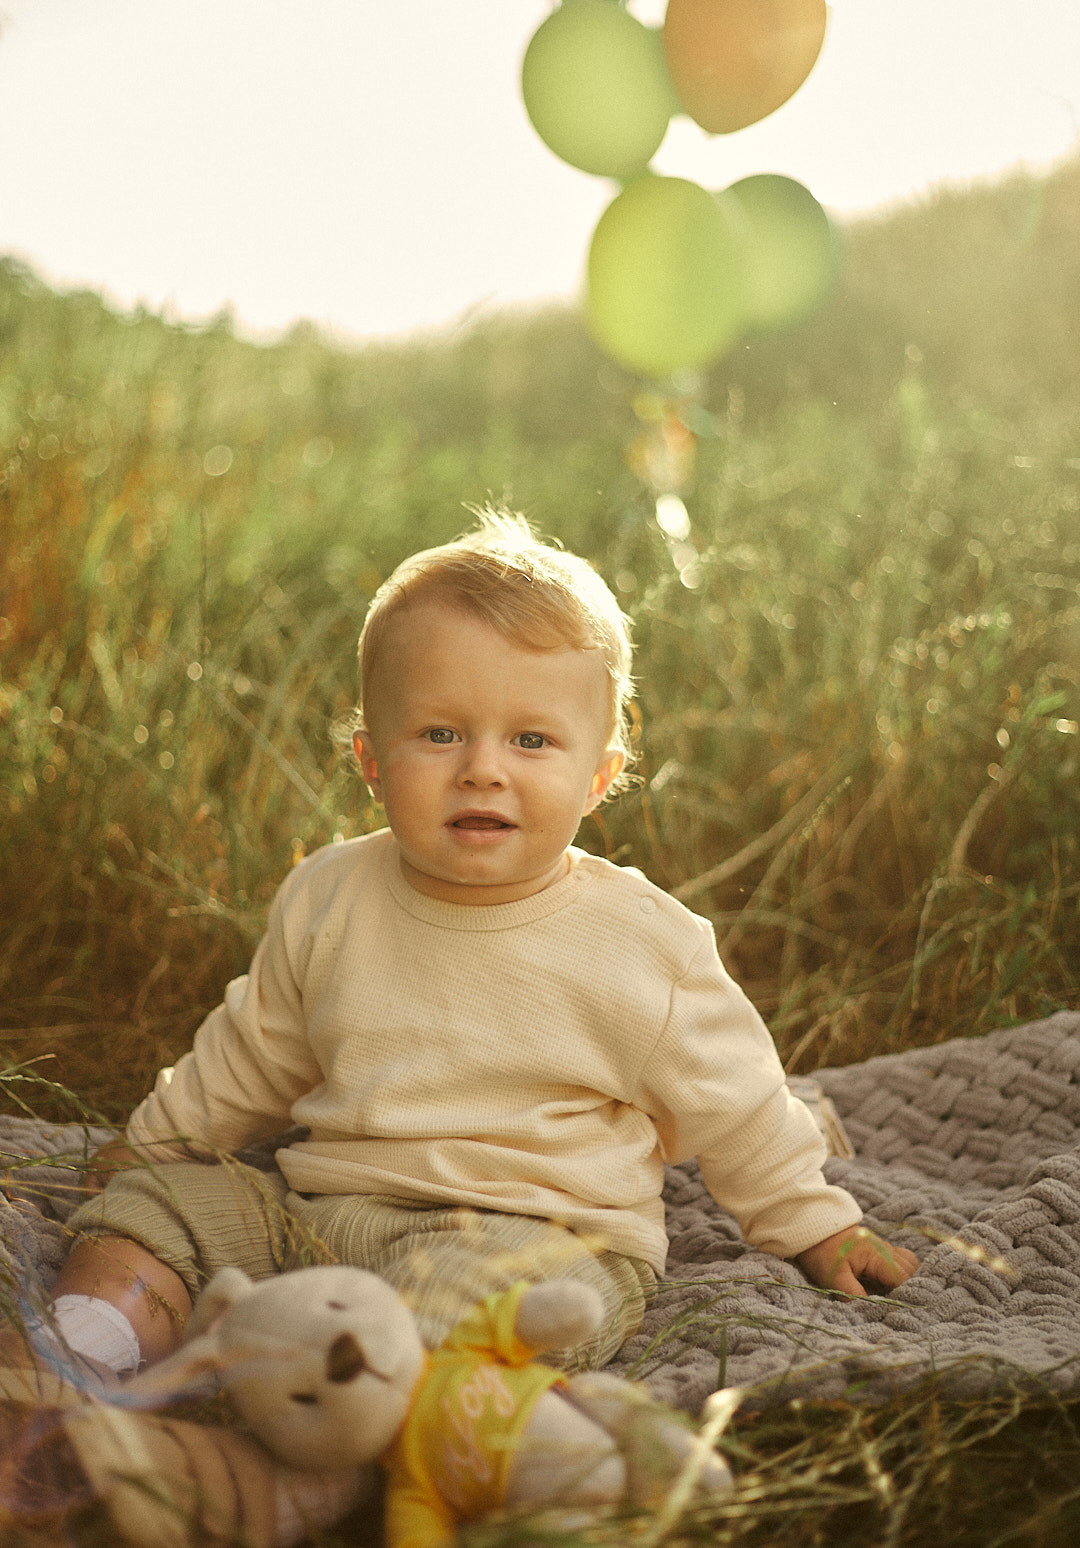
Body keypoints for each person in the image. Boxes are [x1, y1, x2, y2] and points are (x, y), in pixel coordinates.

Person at [37, 509, 919, 1387]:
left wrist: (816, 1224)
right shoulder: (330, 897)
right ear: (372, 760)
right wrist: (155, 1147)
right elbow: (252, 1053)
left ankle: (306, 1449)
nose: (483, 769)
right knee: (152, 1214)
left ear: (599, 778)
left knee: (453, 1327)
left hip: (534, 1235)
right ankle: (82, 1361)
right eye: (440, 734)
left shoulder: (644, 945)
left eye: (531, 740)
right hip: (323, 1212)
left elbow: (741, 1105)